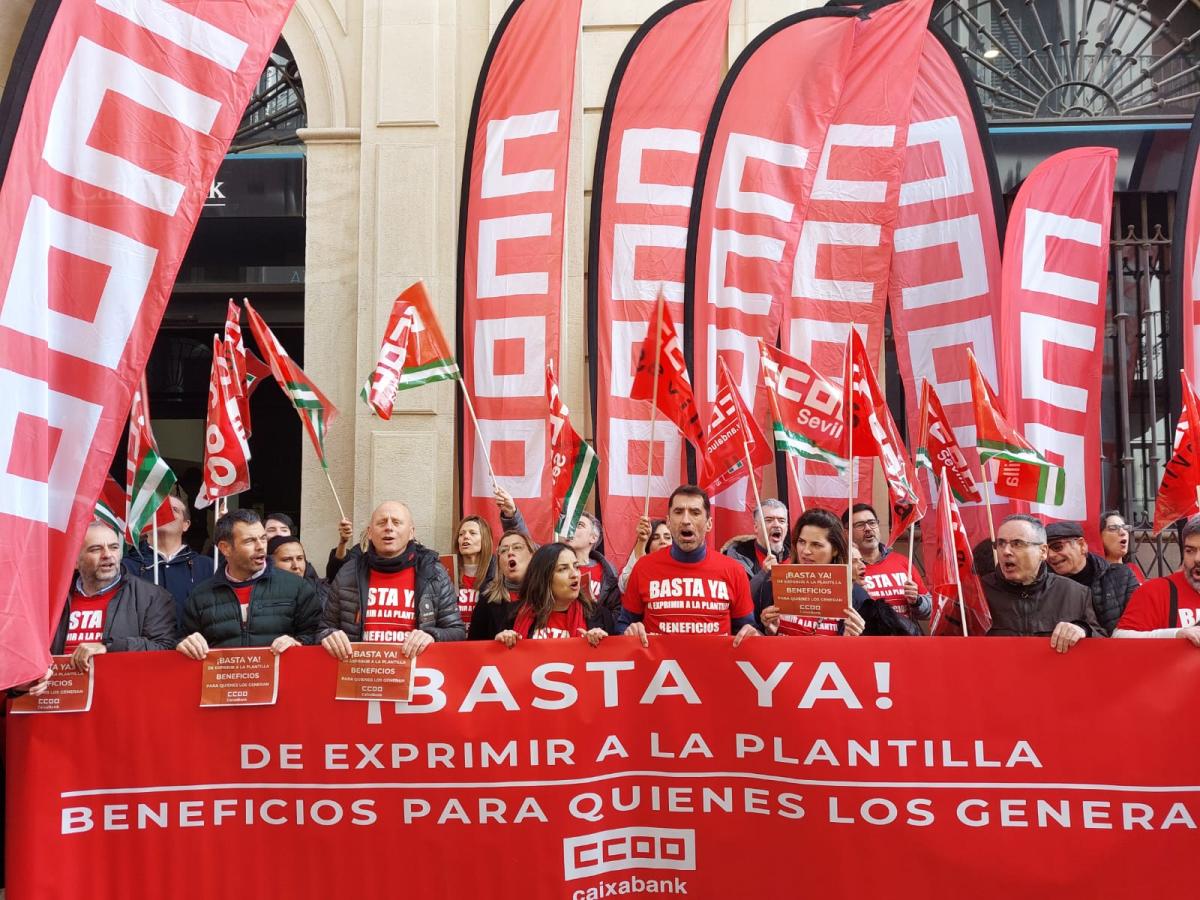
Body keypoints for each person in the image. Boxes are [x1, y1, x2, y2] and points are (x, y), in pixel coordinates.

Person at [318, 501, 464, 660]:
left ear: (411, 533)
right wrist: (329, 635)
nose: (388, 527)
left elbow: (457, 632)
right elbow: (323, 630)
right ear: (370, 533)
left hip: (417, 677)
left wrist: (433, 635)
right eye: (381, 522)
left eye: (396, 522)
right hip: (360, 678)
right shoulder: (347, 573)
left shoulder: (434, 574)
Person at [618, 485, 758, 644]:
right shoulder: (643, 567)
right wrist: (630, 631)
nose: (685, 520)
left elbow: (746, 628)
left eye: (695, 512)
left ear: (709, 523)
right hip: (660, 668)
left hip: (714, 667)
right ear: (669, 522)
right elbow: (624, 624)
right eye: (678, 512)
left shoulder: (734, 570)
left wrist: (753, 634)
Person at [177, 509, 320, 659]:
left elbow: (315, 635)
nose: (260, 546)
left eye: (263, 538)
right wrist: (184, 644)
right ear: (225, 548)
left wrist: (297, 643)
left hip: (281, 679)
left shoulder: (297, 587)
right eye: (249, 541)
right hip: (224, 680)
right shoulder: (200, 596)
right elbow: (182, 639)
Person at [754, 509, 918, 637]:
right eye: (801, 542)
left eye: (816, 545)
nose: (806, 551)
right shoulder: (773, 584)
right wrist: (769, 632)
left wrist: (853, 640)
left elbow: (875, 659)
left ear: (834, 550)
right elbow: (753, 639)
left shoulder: (856, 597)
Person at [52, 520, 176, 671]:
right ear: (75, 561)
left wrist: (108, 647)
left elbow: (165, 648)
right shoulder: (52, 599)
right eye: (96, 549)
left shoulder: (151, 596)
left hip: (119, 690)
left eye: (114, 547)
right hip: (63, 690)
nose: (107, 555)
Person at [981, 514, 1104, 651]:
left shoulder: (1075, 593)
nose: (1006, 551)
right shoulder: (978, 594)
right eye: (1001, 543)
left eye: (1017, 544)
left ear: (1043, 551)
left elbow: (1102, 644)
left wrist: (1083, 630)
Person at [122, 492, 214, 626]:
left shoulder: (207, 566)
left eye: (174, 510)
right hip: (145, 646)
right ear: (144, 524)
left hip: (194, 645)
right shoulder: (125, 567)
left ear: (186, 525)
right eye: (157, 510)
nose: (165, 513)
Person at [495, 543, 613, 647]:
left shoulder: (599, 616)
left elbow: (612, 662)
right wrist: (501, 645)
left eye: (576, 567)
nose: (574, 574)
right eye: (563, 569)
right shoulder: (513, 614)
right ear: (544, 578)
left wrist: (601, 646)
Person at [1113, 515, 1200, 645]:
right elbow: (1118, 639)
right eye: (1190, 551)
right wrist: (1175, 634)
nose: (1197, 558)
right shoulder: (1156, 591)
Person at [1045, 521, 1137, 634]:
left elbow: (1138, 623)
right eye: (1045, 551)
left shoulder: (1121, 576)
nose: (1050, 556)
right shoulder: (1043, 585)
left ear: (1081, 545)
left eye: (1057, 547)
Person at [845, 503, 930, 622]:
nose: (868, 528)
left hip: (905, 638)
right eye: (860, 525)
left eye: (872, 523)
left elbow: (929, 612)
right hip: (867, 639)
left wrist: (917, 601)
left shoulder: (902, 562)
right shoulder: (845, 570)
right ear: (846, 533)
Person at [468, 530, 535, 640]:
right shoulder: (487, 600)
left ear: (532, 555)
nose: (510, 553)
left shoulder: (546, 597)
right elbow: (473, 647)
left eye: (517, 547)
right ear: (499, 562)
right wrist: (495, 644)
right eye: (503, 550)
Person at [565, 512, 620, 611]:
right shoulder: (552, 565)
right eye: (569, 525)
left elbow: (615, 611)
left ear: (593, 538)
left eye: (579, 525)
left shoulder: (608, 572)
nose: (571, 528)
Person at [723, 499, 790, 578]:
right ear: (756, 527)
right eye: (769, 520)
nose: (776, 525)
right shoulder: (737, 556)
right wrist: (763, 574)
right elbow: (740, 589)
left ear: (787, 527)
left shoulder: (796, 555)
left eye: (781, 521)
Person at [268, 534, 330, 610]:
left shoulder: (322, 592)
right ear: (270, 563)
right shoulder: (257, 595)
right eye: (287, 559)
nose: (296, 566)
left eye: (300, 558)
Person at [455, 515, 495, 629]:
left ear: (485, 539)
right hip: (452, 642)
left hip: (483, 643)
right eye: (461, 534)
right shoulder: (446, 571)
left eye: (472, 533)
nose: (465, 537)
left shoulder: (498, 572)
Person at [618, 517, 671, 593]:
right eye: (655, 538)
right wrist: (642, 541)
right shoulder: (642, 567)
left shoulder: (682, 566)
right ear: (647, 546)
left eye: (668, 537)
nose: (662, 541)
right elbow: (626, 586)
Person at [1099, 510, 1145, 584]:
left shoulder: (1133, 569)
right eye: (1113, 528)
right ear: (1099, 536)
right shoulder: (1096, 574)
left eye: (1125, 528)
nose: (1123, 532)